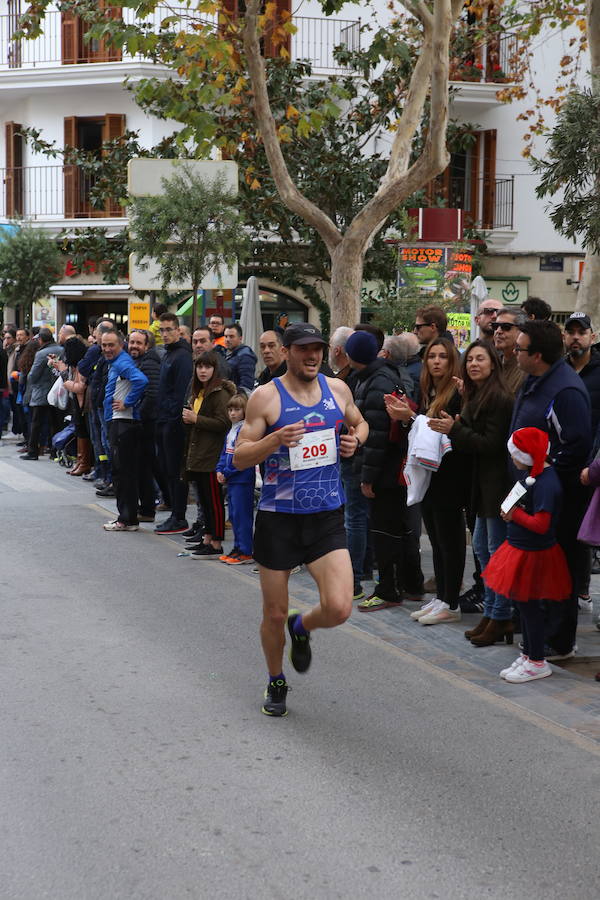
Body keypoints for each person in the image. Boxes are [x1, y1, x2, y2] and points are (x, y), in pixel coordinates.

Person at [233, 323, 368, 717]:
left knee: (340, 607)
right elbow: (240, 457)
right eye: (304, 349)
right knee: (273, 613)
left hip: (325, 514)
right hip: (279, 518)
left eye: (318, 350)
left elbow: (361, 423)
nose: (312, 357)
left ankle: (302, 626)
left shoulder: (338, 389)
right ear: (287, 352)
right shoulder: (266, 397)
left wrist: (355, 440)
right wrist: (275, 439)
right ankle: (276, 679)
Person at [512, 319, 591, 659]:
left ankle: (559, 640)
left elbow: (574, 446)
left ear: (538, 355)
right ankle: (540, 633)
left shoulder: (565, 389)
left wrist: (543, 478)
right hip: (530, 490)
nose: (514, 353)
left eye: (520, 349)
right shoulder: (534, 379)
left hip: (557, 498)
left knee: (560, 566)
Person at [430, 340, 514, 644]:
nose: (474, 364)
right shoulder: (477, 395)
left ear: (493, 363)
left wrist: (454, 429)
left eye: (480, 359)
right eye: (470, 360)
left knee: (493, 552)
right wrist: (459, 418)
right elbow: (466, 430)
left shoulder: (499, 398)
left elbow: (490, 444)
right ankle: (492, 613)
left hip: (496, 487)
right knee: (481, 549)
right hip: (481, 488)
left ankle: (500, 616)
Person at [387, 337, 466, 625]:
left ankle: (451, 602)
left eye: (442, 356)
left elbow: (442, 431)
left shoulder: (457, 392)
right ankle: (442, 597)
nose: (435, 361)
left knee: (450, 540)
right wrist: (407, 416)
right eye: (431, 356)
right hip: (431, 475)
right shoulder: (429, 391)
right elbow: (424, 429)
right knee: (435, 538)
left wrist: (411, 416)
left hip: (450, 476)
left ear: (452, 360)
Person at [344, 331, 423, 612]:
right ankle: (412, 584)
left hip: (387, 471)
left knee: (384, 530)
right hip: (397, 468)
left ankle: (388, 589)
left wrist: (367, 478)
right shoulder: (387, 374)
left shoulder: (376, 382)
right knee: (402, 528)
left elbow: (376, 436)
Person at [484, 427, 571, 683]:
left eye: (514, 454)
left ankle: (537, 662)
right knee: (522, 606)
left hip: (534, 553)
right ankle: (530, 652)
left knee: (530, 607)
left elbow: (542, 524)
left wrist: (515, 515)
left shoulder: (547, 483)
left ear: (528, 455)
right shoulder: (531, 476)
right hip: (520, 548)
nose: (512, 459)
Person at [183, 350, 236, 557]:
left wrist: (196, 419)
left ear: (215, 370)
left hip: (213, 455)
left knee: (214, 502)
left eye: (207, 367)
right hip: (199, 453)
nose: (203, 371)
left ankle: (216, 543)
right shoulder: (200, 392)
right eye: (199, 367)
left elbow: (224, 423)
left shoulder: (220, 393)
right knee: (204, 501)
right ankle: (207, 538)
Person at [101, 330, 148, 532]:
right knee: (123, 472)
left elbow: (142, 380)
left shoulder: (122, 363)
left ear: (121, 345)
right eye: (104, 345)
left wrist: (127, 402)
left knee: (123, 473)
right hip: (119, 423)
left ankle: (126, 519)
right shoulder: (117, 362)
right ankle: (128, 518)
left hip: (123, 424)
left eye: (111, 345)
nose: (107, 349)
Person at [155, 312, 193, 534]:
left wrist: (172, 419)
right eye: (162, 330)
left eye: (169, 329)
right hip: (164, 420)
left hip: (174, 422)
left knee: (176, 471)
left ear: (178, 330)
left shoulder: (181, 357)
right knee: (169, 470)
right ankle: (175, 513)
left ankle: (179, 516)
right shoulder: (168, 354)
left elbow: (180, 394)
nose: (165, 334)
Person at [216, 393, 255, 565]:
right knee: (234, 515)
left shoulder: (244, 429)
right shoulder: (232, 430)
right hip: (232, 480)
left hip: (242, 479)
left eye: (237, 409)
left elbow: (242, 459)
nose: (232, 413)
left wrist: (226, 471)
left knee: (242, 516)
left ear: (245, 411)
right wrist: (219, 469)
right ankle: (237, 548)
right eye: (230, 409)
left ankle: (246, 550)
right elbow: (225, 453)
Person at [128, 329, 162, 523]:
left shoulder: (149, 363)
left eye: (138, 343)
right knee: (144, 467)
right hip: (141, 423)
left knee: (145, 468)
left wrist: (138, 416)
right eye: (132, 342)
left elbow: (152, 394)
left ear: (146, 346)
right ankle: (148, 506)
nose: (134, 346)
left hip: (146, 424)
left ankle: (148, 508)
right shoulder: (137, 362)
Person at [21, 327, 65, 460]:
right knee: (56, 423)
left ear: (40, 340)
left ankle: (33, 451)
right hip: (58, 392)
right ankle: (54, 451)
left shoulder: (41, 354)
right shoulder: (61, 350)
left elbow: (33, 376)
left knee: (36, 423)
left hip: (42, 392)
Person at [491, 307, 527, 395]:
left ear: (521, 330)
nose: (498, 331)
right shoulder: (492, 363)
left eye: (505, 327)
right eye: (495, 326)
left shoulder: (527, 368)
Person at [224, 324, 257, 394]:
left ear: (240, 338)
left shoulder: (245, 356)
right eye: (226, 336)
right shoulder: (231, 354)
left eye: (231, 336)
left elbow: (246, 385)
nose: (227, 340)